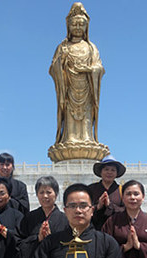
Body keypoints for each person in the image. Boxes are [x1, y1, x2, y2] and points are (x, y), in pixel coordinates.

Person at [48, 2, 108, 162]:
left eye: (81, 24)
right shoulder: (63, 46)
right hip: (68, 88)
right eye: (74, 24)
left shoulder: (91, 47)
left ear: (86, 27)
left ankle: (87, 138)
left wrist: (89, 70)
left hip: (87, 87)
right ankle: (70, 139)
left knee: (87, 114)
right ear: (68, 26)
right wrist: (61, 61)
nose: (77, 27)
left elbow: (99, 68)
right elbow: (53, 68)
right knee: (69, 114)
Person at [88, 155, 126, 230]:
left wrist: (110, 205)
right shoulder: (91, 189)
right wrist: (98, 206)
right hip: (95, 230)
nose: (109, 172)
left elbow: (126, 211)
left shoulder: (122, 190)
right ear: (101, 172)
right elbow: (85, 209)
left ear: (116, 173)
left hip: (115, 230)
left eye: (113, 170)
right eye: (106, 169)